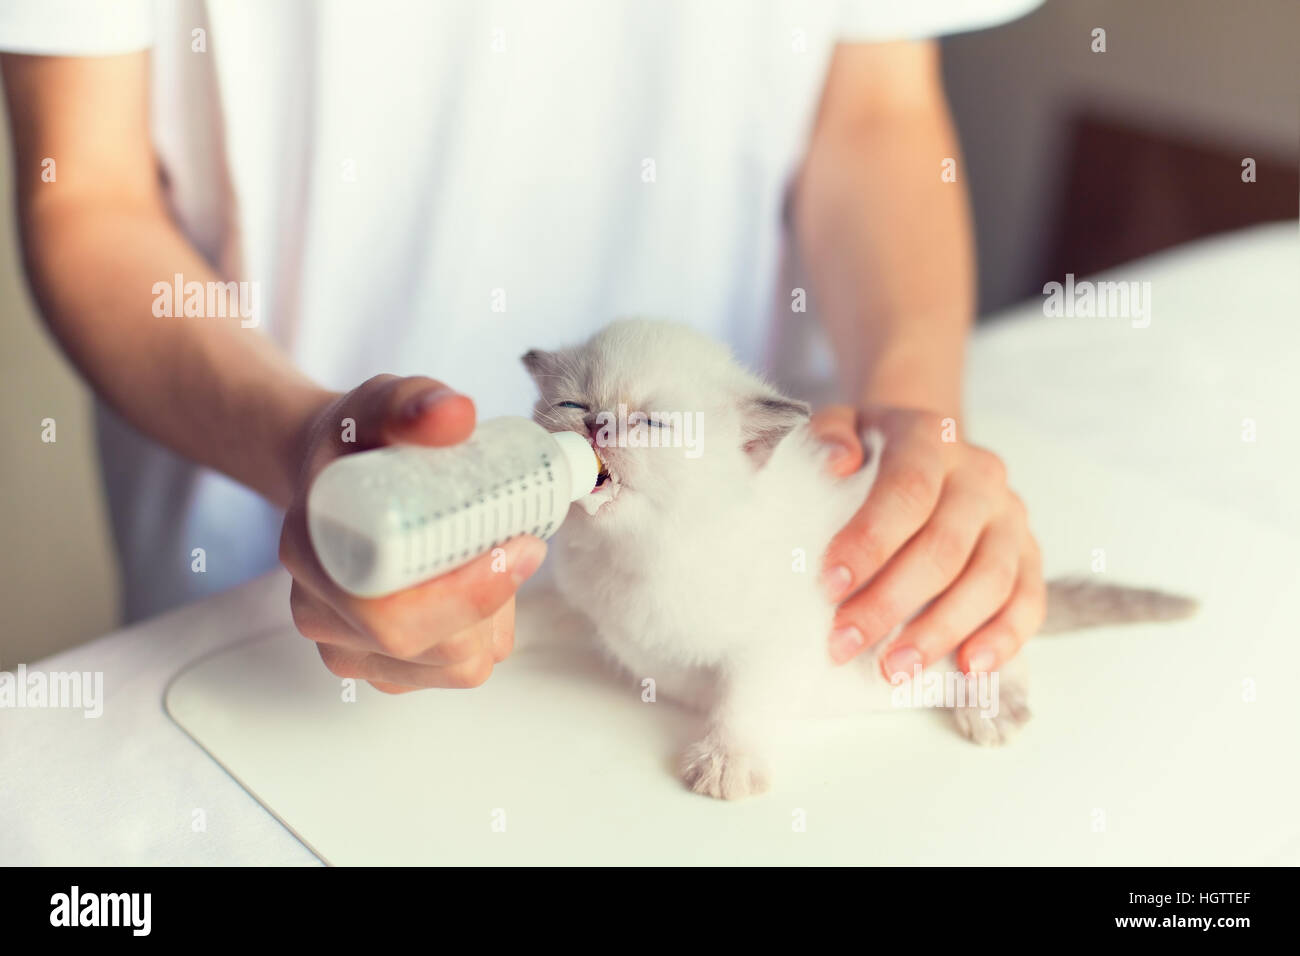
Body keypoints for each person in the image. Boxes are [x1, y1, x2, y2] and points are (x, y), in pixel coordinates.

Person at [1, 0, 1045, 693]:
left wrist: (911, 424)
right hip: (269, 598)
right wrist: (297, 445)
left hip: (708, 604)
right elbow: (87, 197)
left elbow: (872, 112)